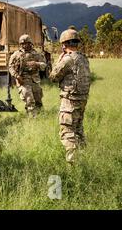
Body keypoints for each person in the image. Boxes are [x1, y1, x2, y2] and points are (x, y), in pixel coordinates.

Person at [49, 29, 91, 163]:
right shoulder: (83, 58)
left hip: (70, 101)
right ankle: (84, 156)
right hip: (82, 99)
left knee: (67, 131)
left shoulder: (67, 59)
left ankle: (72, 163)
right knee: (78, 129)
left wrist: (58, 61)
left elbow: (53, 77)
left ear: (64, 44)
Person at [8, 34, 47, 117]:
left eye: (26, 43)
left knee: (38, 101)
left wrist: (36, 64)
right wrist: (17, 76)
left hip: (35, 80)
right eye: (22, 44)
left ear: (30, 43)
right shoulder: (16, 54)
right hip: (23, 80)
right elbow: (10, 66)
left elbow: (44, 65)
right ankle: (33, 119)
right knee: (29, 100)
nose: (24, 45)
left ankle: (41, 116)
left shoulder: (36, 54)